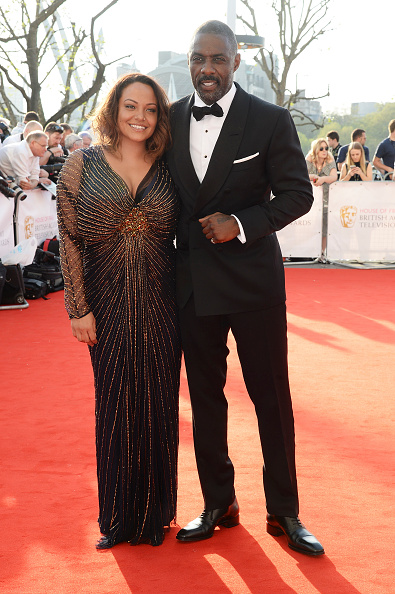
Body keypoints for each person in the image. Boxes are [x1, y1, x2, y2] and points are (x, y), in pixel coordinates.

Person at [166, 20, 324, 557]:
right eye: (196, 59)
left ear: (236, 62)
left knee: (270, 399)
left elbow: (298, 195)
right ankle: (219, 503)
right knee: (206, 400)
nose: (205, 68)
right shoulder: (169, 121)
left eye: (216, 59)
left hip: (253, 282)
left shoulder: (270, 120)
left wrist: (240, 220)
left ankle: (284, 512)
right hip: (191, 285)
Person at [57, 73, 181, 549]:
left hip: (162, 300)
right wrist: (77, 308)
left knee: (158, 404)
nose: (140, 117)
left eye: (150, 110)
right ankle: (116, 518)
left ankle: (155, 516)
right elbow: (69, 238)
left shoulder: (168, 164)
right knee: (113, 405)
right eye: (131, 106)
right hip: (104, 305)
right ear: (113, 109)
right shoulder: (79, 163)